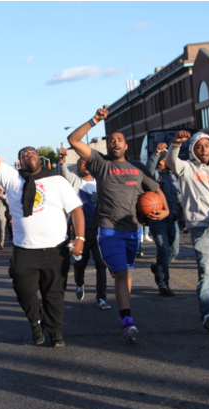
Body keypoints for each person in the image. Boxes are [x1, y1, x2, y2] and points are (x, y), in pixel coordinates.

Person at [0, 123, 85, 348]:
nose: (30, 154)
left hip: (56, 249)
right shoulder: (13, 179)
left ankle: (55, 332)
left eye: (33, 151)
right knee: (24, 290)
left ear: (40, 158)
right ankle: (36, 322)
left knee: (54, 294)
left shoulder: (57, 180)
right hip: (25, 250)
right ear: (20, 162)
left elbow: (76, 210)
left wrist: (80, 238)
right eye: (24, 154)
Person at [68, 108, 168, 343]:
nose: (115, 142)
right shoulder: (100, 164)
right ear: (108, 146)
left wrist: (166, 210)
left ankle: (125, 309)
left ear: (126, 146)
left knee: (127, 273)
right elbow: (73, 140)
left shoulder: (137, 168)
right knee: (121, 273)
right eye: (111, 140)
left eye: (119, 140)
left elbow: (156, 189)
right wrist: (95, 120)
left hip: (133, 228)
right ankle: (127, 320)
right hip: (108, 228)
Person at [166, 130, 209, 332]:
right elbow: (170, 161)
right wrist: (176, 143)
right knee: (206, 271)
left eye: (207, 146)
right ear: (193, 149)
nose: (204, 150)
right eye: (199, 146)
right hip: (199, 227)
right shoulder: (186, 168)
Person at [57, 147, 111, 310]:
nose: (85, 165)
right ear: (78, 167)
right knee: (81, 264)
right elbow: (63, 172)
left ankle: (101, 298)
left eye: (87, 163)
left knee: (101, 264)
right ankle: (79, 283)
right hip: (80, 232)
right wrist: (62, 161)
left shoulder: (101, 182)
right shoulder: (74, 181)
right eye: (81, 163)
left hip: (99, 229)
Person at [146, 142, 181, 296]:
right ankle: (163, 285)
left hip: (173, 219)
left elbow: (179, 198)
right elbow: (147, 171)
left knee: (174, 251)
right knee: (163, 250)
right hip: (157, 219)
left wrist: (184, 219)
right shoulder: (154, 175)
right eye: (164, 157)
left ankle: (158, 267)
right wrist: (156, 153)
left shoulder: (173, 175)